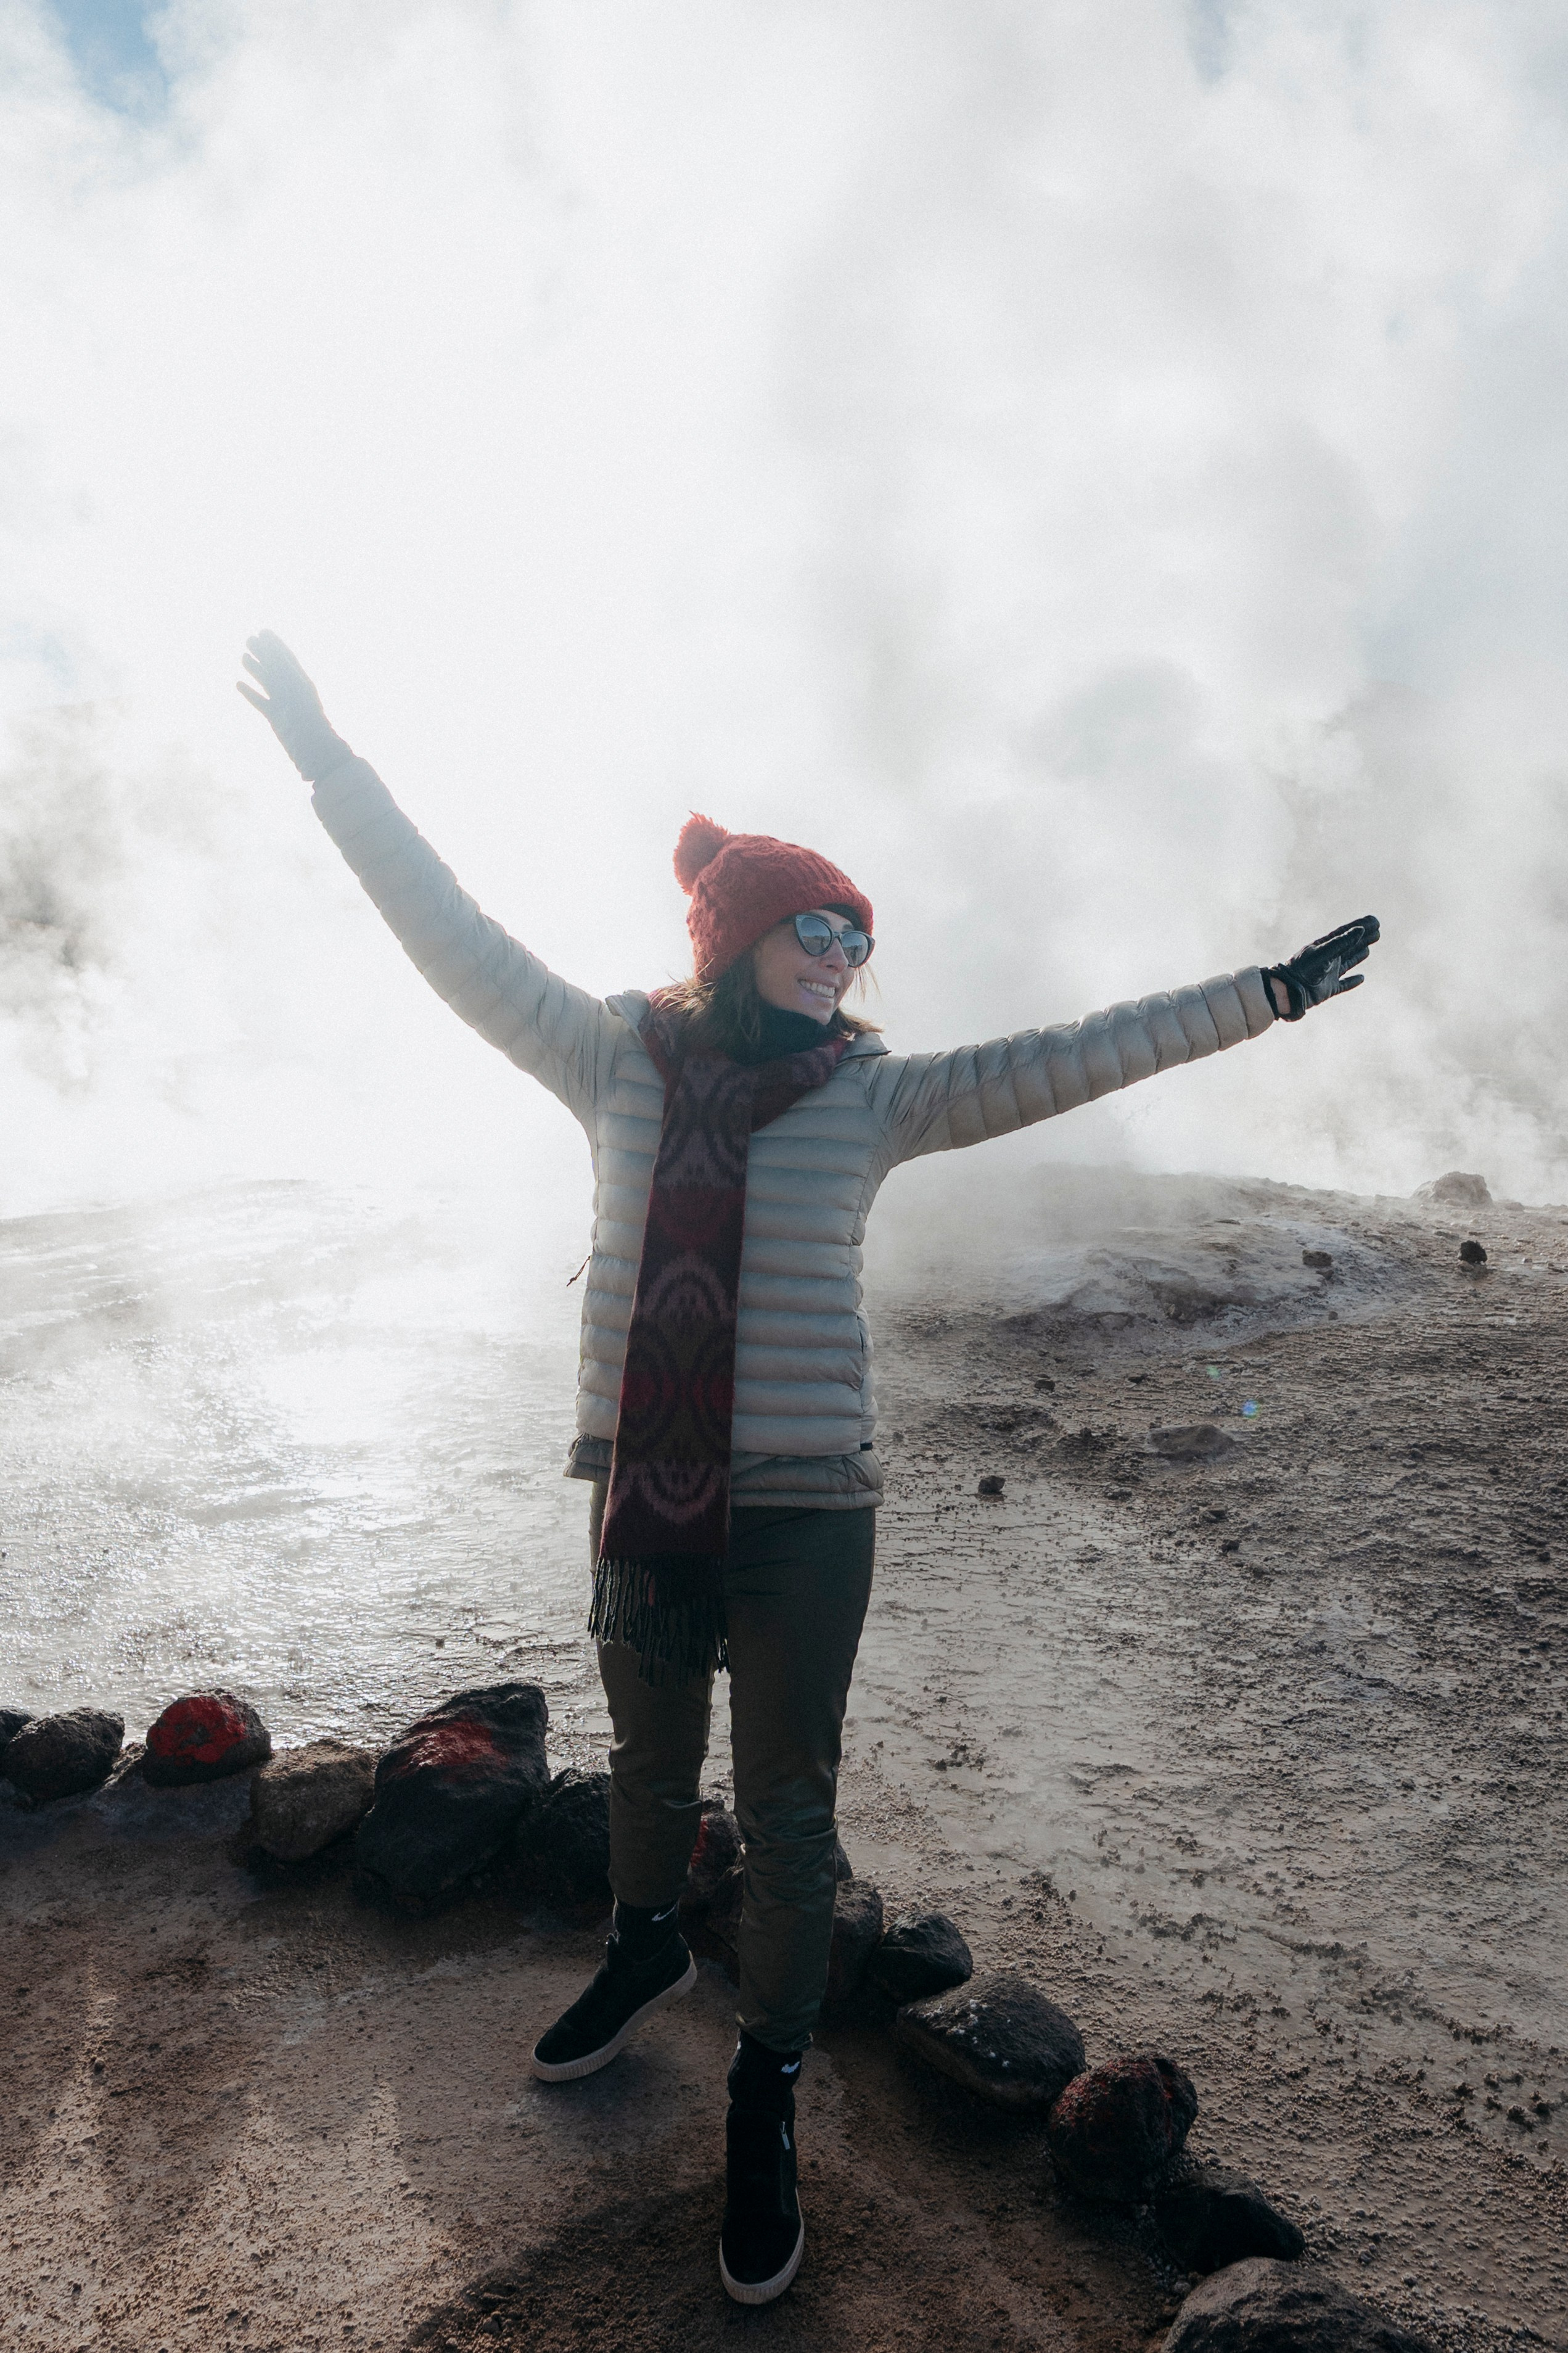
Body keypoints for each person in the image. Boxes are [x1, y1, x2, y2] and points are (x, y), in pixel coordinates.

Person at [238, 629, 1379, 2306]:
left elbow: (1066, 1055)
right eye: (818, 923)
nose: (847, 951)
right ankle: (638, 1950)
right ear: (736, 935)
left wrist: (1262, 997)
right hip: (651, 1494)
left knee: (783, 1817)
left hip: (806, 1512)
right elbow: (448, 931)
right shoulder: (612, 1055)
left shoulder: (878, 1097)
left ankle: (765, 2084)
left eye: (861, 932)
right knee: (641, 1767)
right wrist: (335, 767)